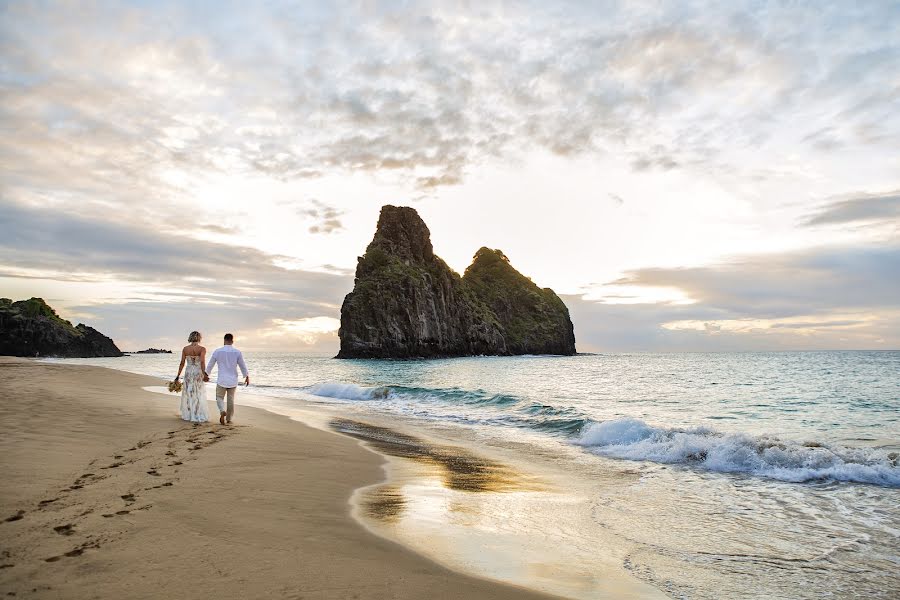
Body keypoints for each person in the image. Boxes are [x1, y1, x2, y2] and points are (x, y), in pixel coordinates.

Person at [206, 333, 250, 425]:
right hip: (233, 380)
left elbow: (210, 364)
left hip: (222, 379)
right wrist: (246, 376)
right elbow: (242, 365)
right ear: (232, 341)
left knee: (219, 397)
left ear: (224, 340)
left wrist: (206, 374)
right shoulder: (237, 352)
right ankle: (229, 419)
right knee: (231, 399)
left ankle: (222, 411)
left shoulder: (217, 351)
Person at [174, 331, 209, 423]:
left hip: (189, 372)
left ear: (190, 337)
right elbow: (202, 362)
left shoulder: (185, 349)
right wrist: (204, 373)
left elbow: (182, 363)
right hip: (197, 372)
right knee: (198, 393)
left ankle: (189, 414)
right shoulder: (202, 349)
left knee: (188, 392)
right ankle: (196, 413)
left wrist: (178, 375)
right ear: (199, 338)